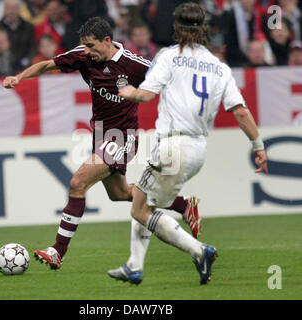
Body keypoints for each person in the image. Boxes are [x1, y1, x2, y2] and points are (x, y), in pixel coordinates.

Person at [3, 16, 201, 270]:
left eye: (91, 46)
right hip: (100, 134)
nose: (87, 52)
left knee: (78, 182)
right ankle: (183, 204)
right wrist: (19, 78)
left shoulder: (135, 65)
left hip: (123, 136)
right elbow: (47, 65)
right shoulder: (83, 56)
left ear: (107, 41)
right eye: (84, 46)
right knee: (119, 194)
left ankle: (57, 251)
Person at [108, 2, 268, 285]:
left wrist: (128, 90)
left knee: (140, 209)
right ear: (204, 29)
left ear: (176, 29)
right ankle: (134, 265)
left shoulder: (169, 56)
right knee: (145, 201)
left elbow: (146, 95)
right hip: (197, 151)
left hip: (173, 147)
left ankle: (199, 251)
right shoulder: (220, 68)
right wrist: (258, 146)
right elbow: (240, 111)